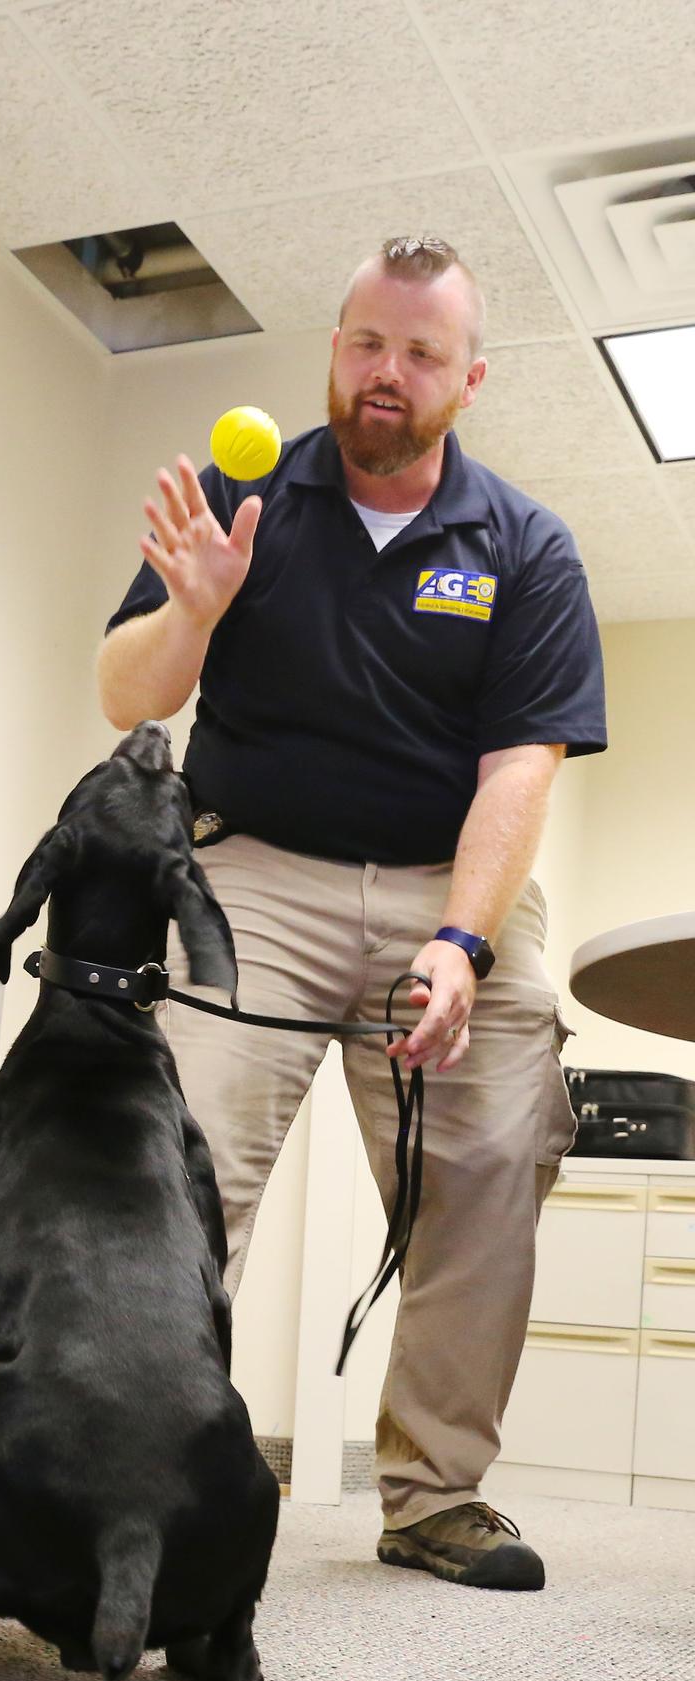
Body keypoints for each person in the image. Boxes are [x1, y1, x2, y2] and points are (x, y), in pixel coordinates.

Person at [98, 235, 605, 1592]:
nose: (389, 374)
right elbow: (125, 696)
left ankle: (435, 1495)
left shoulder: (525, 545)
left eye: (422, 353)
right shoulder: (243, 492)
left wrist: (463, 939)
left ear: (470, 377)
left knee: (493, 1163)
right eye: (368, 342)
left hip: (454, 881)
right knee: (187, 1160)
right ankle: (143, 1481)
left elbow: (521, 770)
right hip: (257, 869)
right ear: (332, 346)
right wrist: (192, 615)